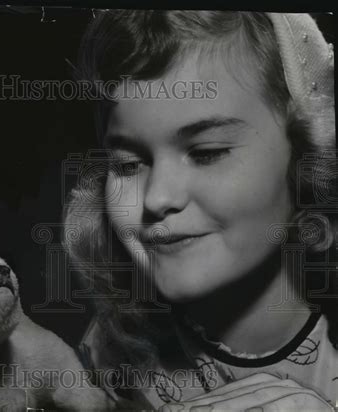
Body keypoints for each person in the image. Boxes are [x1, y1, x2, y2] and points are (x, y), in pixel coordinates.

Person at [62, 10, 337, 411]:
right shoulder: (114, 345)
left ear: (308, 162)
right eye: (126, 164)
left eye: (206, 154)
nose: (157, 198)